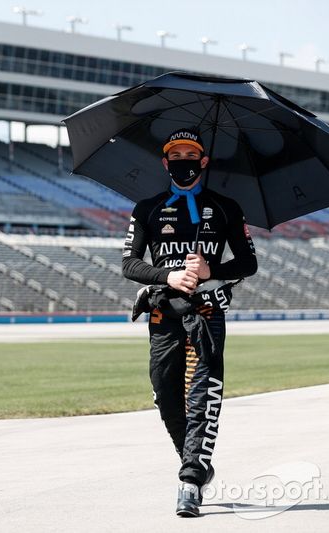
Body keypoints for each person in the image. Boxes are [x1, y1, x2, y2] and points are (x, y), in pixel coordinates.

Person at [121, 128, 258, 517]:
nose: (183, 160)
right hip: (163, 312)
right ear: (166, 163)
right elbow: (129, 263)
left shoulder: (227, 207)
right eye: (175, 154)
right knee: (165, 393)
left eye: (190, 154)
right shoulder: (145, 208)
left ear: (203, 161)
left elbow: (248, 262)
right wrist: (168, 277)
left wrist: (212, 267)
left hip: (208, 312)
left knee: (203, 394)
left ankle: (190, 481)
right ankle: (195, 461)